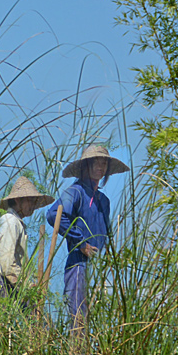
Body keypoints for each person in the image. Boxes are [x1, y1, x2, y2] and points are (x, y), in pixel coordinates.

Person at [46, 144, 130, 336]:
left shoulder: (103, 201)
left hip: (99, 267)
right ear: (86, 166)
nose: (100, 167)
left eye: (104, 164)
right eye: (96, 163)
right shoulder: (74, 192)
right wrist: (81, 243)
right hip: (78, 263)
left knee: (97, 316)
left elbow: (105, 234)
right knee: (78, 315)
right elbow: (54, 215)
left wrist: (111, 256)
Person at [0, 176, 54, 311]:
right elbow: (7, 264)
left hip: (13, 284)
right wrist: (27, 285)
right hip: (6, 284)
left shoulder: (16, 222)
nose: (33, 207)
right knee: (2, 325)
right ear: (18, 200)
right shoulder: (10, 221)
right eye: (30, 201)